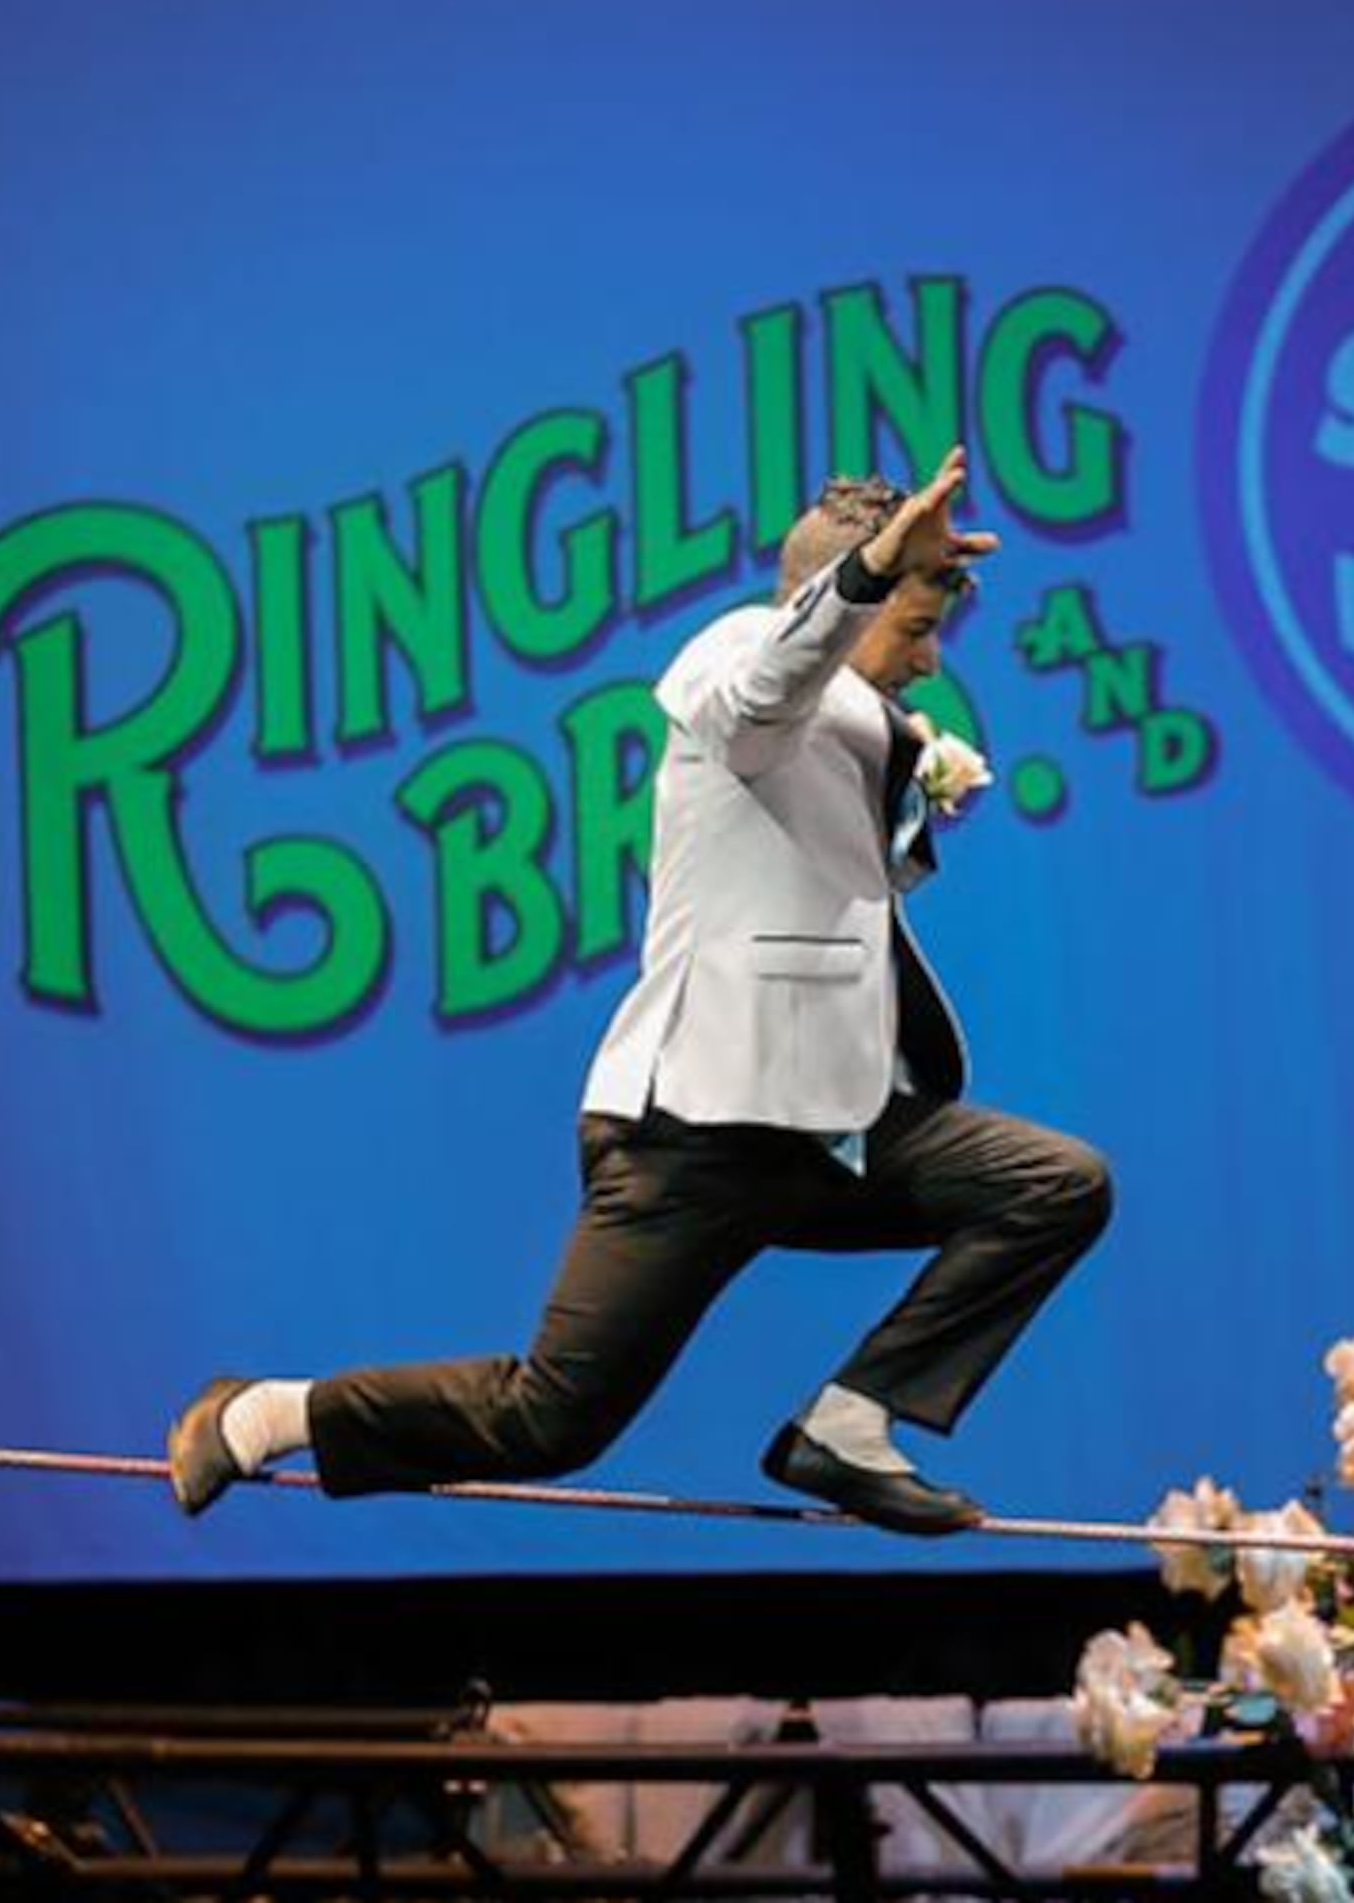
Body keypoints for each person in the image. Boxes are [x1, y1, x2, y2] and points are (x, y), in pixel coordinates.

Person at [166, 452, 1112, 1536]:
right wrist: (873, 567)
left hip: (825, 1127)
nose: (932, 662)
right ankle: (259, 1414)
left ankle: (849, 1424)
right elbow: (772, 691)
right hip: (694, 1133)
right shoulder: (741, 657)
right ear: (843, 601)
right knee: (549, 1422)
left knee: (1055, 1185)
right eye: (918, 627)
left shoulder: (861, 723)